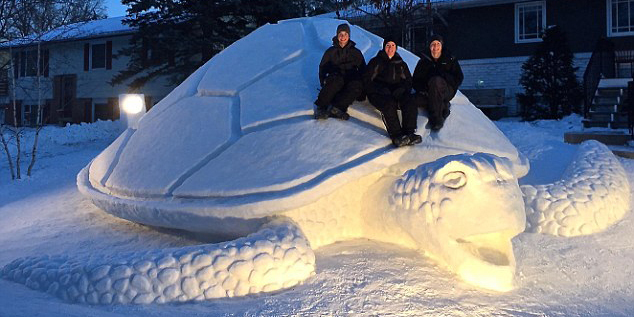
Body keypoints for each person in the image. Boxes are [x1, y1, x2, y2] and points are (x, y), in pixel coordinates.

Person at [364, 37, 421, 147]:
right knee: (389, 104)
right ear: (384, 47)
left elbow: (408, 80)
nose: (390, 48)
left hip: (396, 92)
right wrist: (380, 89)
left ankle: (409, 132)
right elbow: (367, 80)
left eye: (393, 45)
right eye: (388, 45)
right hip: (378, 93)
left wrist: (402, 89)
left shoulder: (400, 63)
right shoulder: (376, 62)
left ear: (396, 48)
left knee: (410, 100)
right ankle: (397, 135)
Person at [314, 23, 366, 120]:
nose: (343, 37)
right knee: (335, 81)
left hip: (350, 78)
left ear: (349, 36)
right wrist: (323, 81)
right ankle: (321, 107)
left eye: (345, 34)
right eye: (340, 34)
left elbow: (363, 69)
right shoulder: (331, 52)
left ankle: (337, 108)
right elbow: (322, 68)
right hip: (336, 78)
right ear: (337, 36)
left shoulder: (356, 52)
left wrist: (363, 89)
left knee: (356, 85)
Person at [412, 34, 463, 131]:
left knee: (436, 80)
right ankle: (443, 105)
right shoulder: (423, 61)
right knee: (412, 100)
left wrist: (444, 77)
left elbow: (459, 77)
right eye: (433, 44)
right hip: (428, 91)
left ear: (441, 45)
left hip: (447, 90)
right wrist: (423, 89)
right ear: (430, 46)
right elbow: (416, 80)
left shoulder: (449, 59)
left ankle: (436, 119)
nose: (435, 47)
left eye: (438, 44)